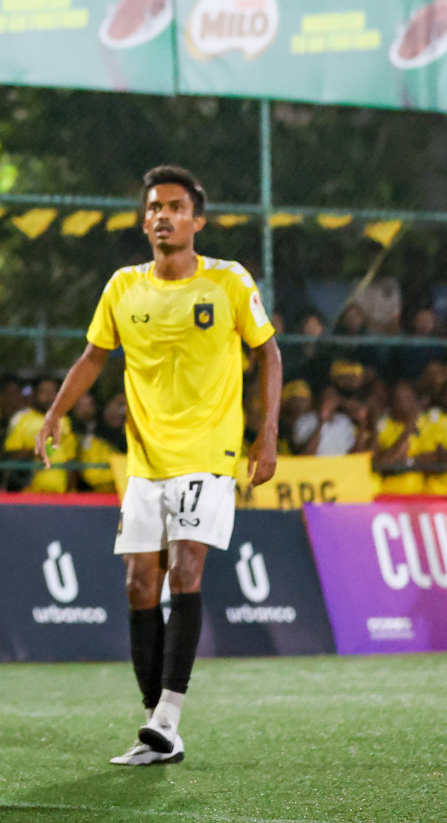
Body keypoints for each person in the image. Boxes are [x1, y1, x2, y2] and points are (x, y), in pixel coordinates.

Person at [33, 165, 281, 767]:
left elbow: (268, 352)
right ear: (144, 220)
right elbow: (94, 356)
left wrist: (266, 432)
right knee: (139, 584)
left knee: (184, 571)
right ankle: (157, 726)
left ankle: (168, 716)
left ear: (197, 219)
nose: (162, 215)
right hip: (146, 460)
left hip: (210, 452)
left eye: (174, 206)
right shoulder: (123, 286)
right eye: (153, 207)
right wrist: (55, 414)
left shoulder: (227, 281)